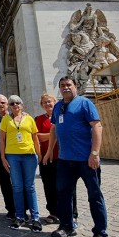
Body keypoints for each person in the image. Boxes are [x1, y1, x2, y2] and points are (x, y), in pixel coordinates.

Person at [43, 76, 108, 237]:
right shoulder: (57, 106)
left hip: (86, 160)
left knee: (94, 196)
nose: (65, 88)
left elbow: (97, 127)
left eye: (68, 85)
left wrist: (95, 153)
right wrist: (50, 151)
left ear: (75, 86)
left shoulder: (85, 103)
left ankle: (100, 234)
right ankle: (66, 226)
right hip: (65, 160)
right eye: (62, 85)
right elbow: (55, 128)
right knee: (63, 194)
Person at [0, 95, 42, 232]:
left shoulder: (29, 119)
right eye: (12, 103)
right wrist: (2, 157)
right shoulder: (6, 119)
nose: (15, 105)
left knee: (30, 187)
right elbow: (2, 140)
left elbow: (35, 137)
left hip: (29, 155)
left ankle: (35, 218)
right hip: (12, 156)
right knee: (17, 187)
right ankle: (20, 216)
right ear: (9, 106)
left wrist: (39, 154)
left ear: (22, 105)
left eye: (17, 102)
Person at [35, 93, 78, 225]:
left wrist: (49, 134)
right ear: (42, 105)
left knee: (67, 186)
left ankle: (72, 213)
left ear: (55, 102)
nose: (48, 104)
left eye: (50, 101)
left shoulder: (62, 116)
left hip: (63, 157)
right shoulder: (39, 119)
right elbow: (37, 137)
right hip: (46, 158)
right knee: (49, 186)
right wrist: (55, 133)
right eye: (45, 102)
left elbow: (68, 132)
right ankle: (53, 212)